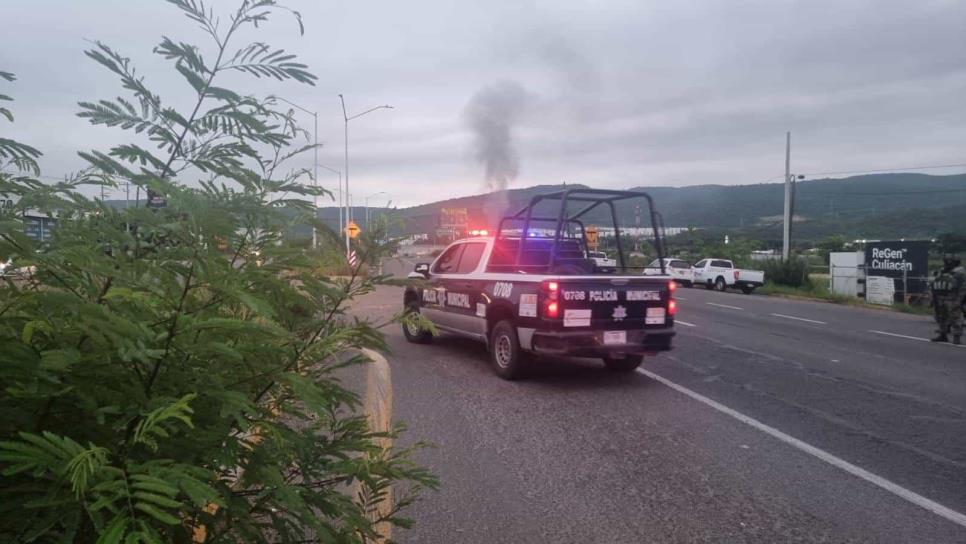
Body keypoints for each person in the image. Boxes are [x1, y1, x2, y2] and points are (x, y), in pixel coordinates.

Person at [930, 255, 966, 344]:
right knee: (940, 316)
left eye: (950, 261)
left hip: (952, 298)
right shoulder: (943, 271)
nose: (948, 263)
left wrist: (959, 300)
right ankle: (943, 335)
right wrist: (933, 296)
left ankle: (956, 337)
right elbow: (936, 282)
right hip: (940, 296)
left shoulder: (960, 272)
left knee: (955, 317)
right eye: (947, 261)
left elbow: (962, 288)